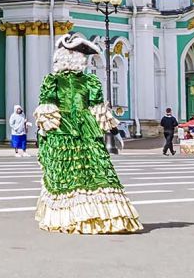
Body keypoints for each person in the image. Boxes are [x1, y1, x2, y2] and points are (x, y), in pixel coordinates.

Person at [31, 33, 142, 234]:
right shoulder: (90, 81)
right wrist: (112, 130)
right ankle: (100, 217)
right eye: (83, 57)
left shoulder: (52, 81)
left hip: (61, 131)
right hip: (87, 130)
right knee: (95, 173)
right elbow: (98, 110)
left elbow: (47, 110)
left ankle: (68, 218)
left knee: (65, 174)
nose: (84, 60)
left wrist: (44, 134)